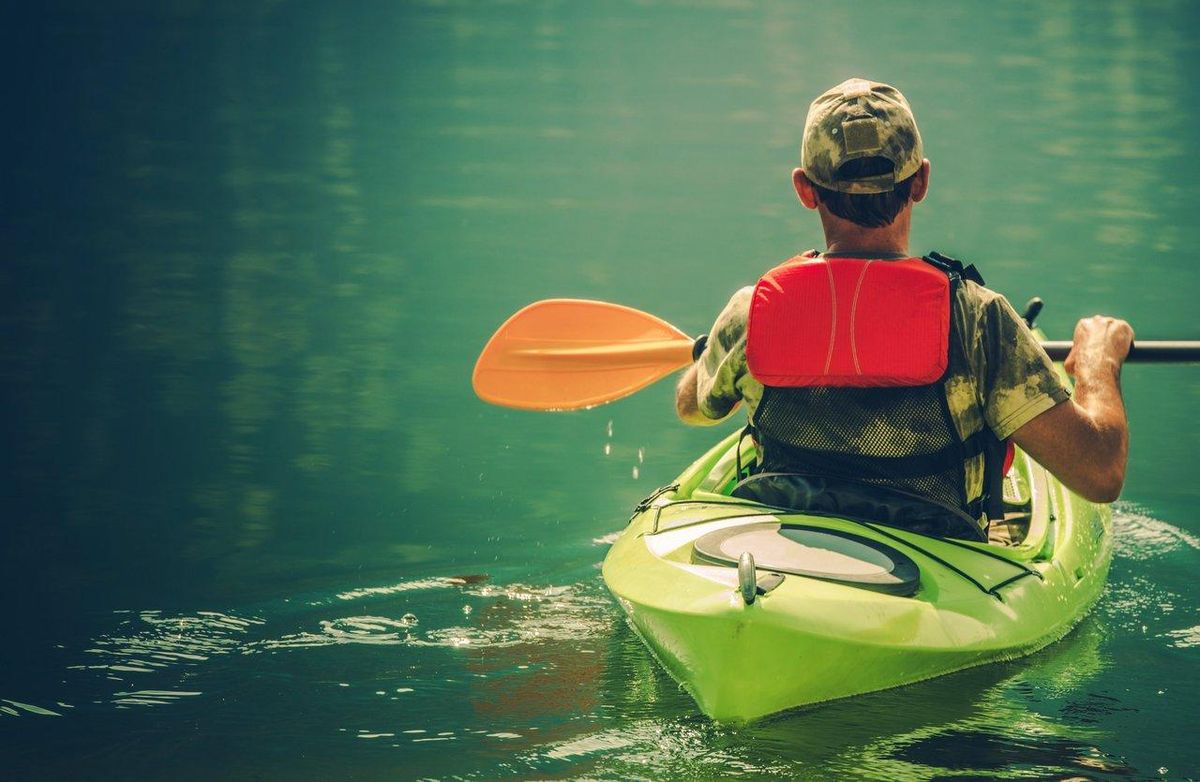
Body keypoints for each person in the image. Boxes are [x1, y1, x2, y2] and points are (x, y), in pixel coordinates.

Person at [674, 78, 1133, 538]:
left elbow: (692, 408)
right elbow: (1099, 474)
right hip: (936, 561)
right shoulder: (978, 319)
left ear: (805, 189)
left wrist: (709, 356)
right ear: (921, 181)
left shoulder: (752, 311)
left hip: (783, 553)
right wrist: (1098, 362)